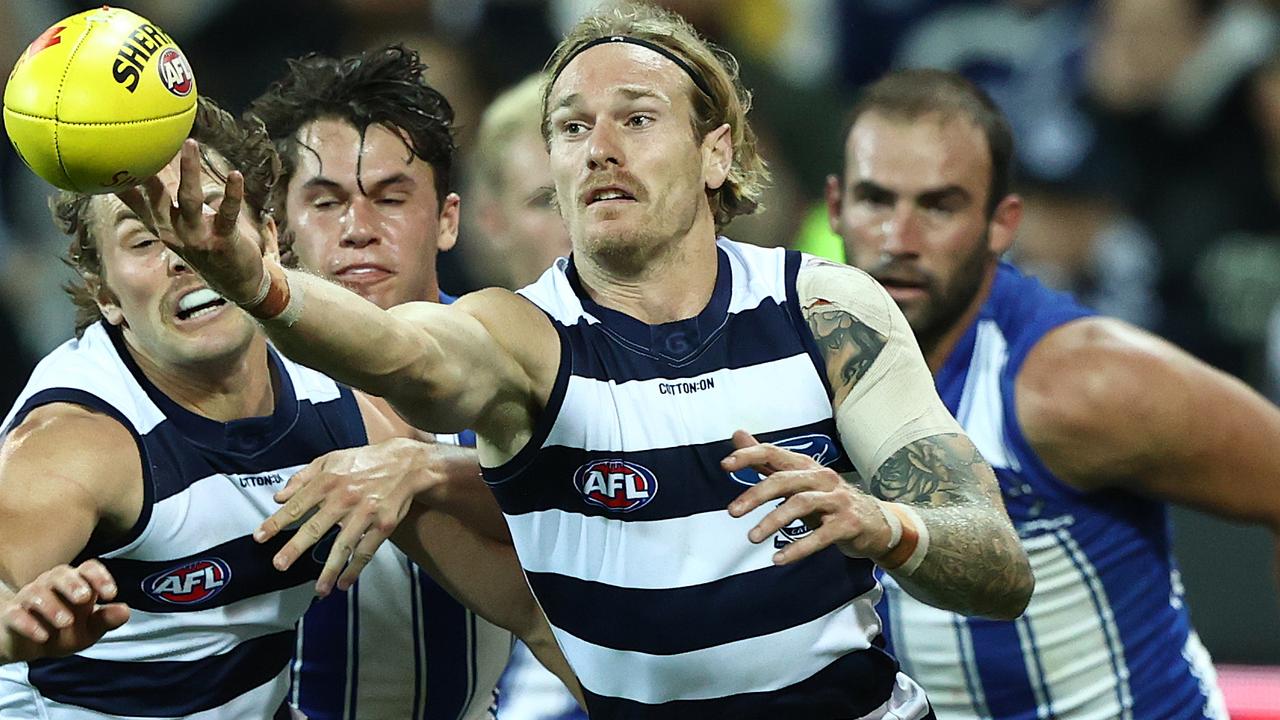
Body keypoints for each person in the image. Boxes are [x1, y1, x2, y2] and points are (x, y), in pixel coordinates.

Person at [147, 4, 1034, 718]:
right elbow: (400, 349)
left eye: (637, 120)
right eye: (572, 128)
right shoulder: (522, 336)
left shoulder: (827, 309)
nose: (600, 147)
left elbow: (999, 567)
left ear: (715, 150)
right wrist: (257, 280)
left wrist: (889, 526)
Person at [0, 100, 566, 719]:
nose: (185, 250)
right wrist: (13, 627)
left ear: (268, 240)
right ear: (106, 294)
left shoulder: (331, 394)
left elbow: (526, 603)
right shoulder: (83, 436)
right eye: (144, 238)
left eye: (206, 213)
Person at [825, 68, 1280, 719]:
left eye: (938, 205)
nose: (899, 239)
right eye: (877, 200)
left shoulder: (1078, 382)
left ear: (1001, 223)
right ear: (837, 206)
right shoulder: (798, 360)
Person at [244, 45, 515, 720]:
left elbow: (593, 503)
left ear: (447, 219)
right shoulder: (237, 379)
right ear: (277, 231)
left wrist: (430, 470)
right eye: (326, 201)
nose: (359, 230)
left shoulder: (514, 354)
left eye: (391, 198)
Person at [467, 73, 586, 720]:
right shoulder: (433, 375)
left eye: (584, 190)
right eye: (546, 199)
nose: (576, 218)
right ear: (491, 222)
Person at [466, 72, 572, 291]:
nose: (575, 224)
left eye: (593, 195)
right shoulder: (462, 324)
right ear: (493, 221)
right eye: (545, 202)